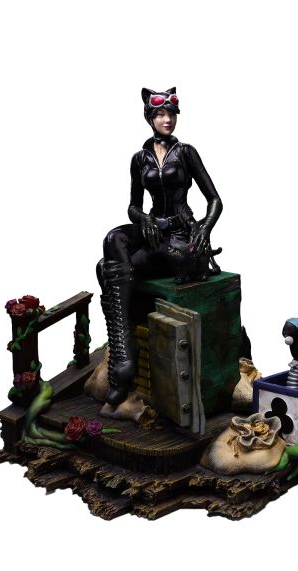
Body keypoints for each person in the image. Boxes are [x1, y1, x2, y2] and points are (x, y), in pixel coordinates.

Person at [97, 87, 223, 406]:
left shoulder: (186, 152)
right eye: (161, 114)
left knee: (105, 269)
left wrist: (204, 228)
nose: (167, 120)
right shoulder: (139, 159)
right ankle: (123, 356)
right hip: (154, 235)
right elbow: (133, 206)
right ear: (150, 117)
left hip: (180, 239)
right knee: (113, 239)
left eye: (171, 114)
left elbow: (215, 199)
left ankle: (121, 364)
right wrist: (144, 219)